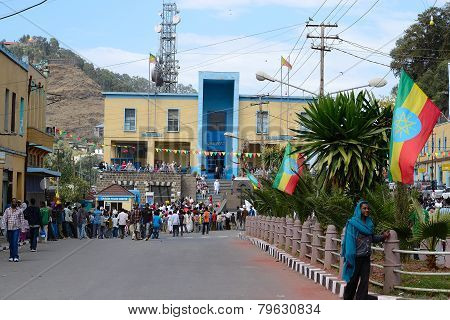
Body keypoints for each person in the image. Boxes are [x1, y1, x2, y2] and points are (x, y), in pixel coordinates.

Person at [341, 200, 390, 300]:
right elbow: (350, 241)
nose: (367, 210)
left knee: (364, 282)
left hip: (366, 258)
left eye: (368, 208)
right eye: (364, 208)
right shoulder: (352, 223)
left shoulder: (369, 224)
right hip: (355, 257)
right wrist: (350, 256)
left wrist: (383, 237)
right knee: (352, 281)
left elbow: (372, 239)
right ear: (359, 210)